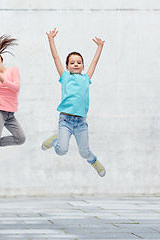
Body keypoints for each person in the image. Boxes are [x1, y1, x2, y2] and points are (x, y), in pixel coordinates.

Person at [41, 28, 106, 177]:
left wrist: (100, 47)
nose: (75, 64)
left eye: (79, 62)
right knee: (62, 150)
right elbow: (55, 57)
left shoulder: (86, 78)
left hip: (81, 122)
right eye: (72, 62)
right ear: (67, 66)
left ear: (83, 66)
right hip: (65, 120)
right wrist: (51, 39)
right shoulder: (65, 77)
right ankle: (56, 140)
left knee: (84, 152)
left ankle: (94, 161)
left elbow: (95, 62)